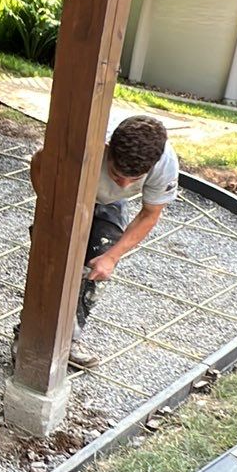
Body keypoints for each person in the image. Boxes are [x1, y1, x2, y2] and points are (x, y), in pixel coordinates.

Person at [25, 114, 180, 368]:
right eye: (118, 175)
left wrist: (112, 256)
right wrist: (49, 210)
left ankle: (69, 339)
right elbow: (39, 163)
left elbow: (149, 214)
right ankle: (28, 335)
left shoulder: (165, 164)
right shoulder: (87, 140)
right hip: (71, 187)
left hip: (110, 203)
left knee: (95, 267)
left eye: (134, 180)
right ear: (108, 150)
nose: (125, 183)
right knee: (51, 261)